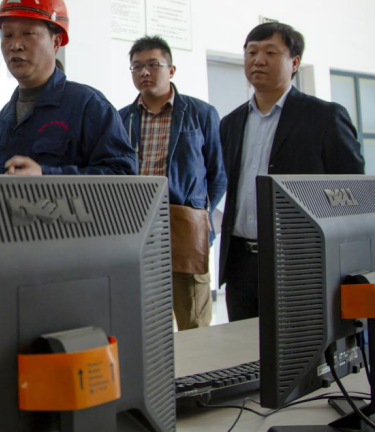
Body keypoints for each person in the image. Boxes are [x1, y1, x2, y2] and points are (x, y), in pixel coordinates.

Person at [219, 22, 364, 321]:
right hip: (240, 265)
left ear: (294, 62)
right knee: (243, 345)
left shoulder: (324, 117)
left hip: (301, 262)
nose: (258, 60)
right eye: (251, 53)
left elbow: (353, 196)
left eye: (270, 52)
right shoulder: (231, 123)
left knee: (298, 345)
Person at [119, 35, 226, 330]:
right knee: (145, 321)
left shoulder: (201, 113)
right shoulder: (122, 118)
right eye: (136, 66)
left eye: (153, 64)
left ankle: (198, 365)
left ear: (171, 70)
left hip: (185, 226)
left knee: (194, 320)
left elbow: (218, 174)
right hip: (137, 225)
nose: (144, 72)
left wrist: (201, 215)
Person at [0, 0, 136, 176]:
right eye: (7, 35)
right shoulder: (2, 120)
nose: (15, 45)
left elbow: (123, 176)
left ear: (56, 42)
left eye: (28, 33)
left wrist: (48, 177)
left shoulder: (88, 106)